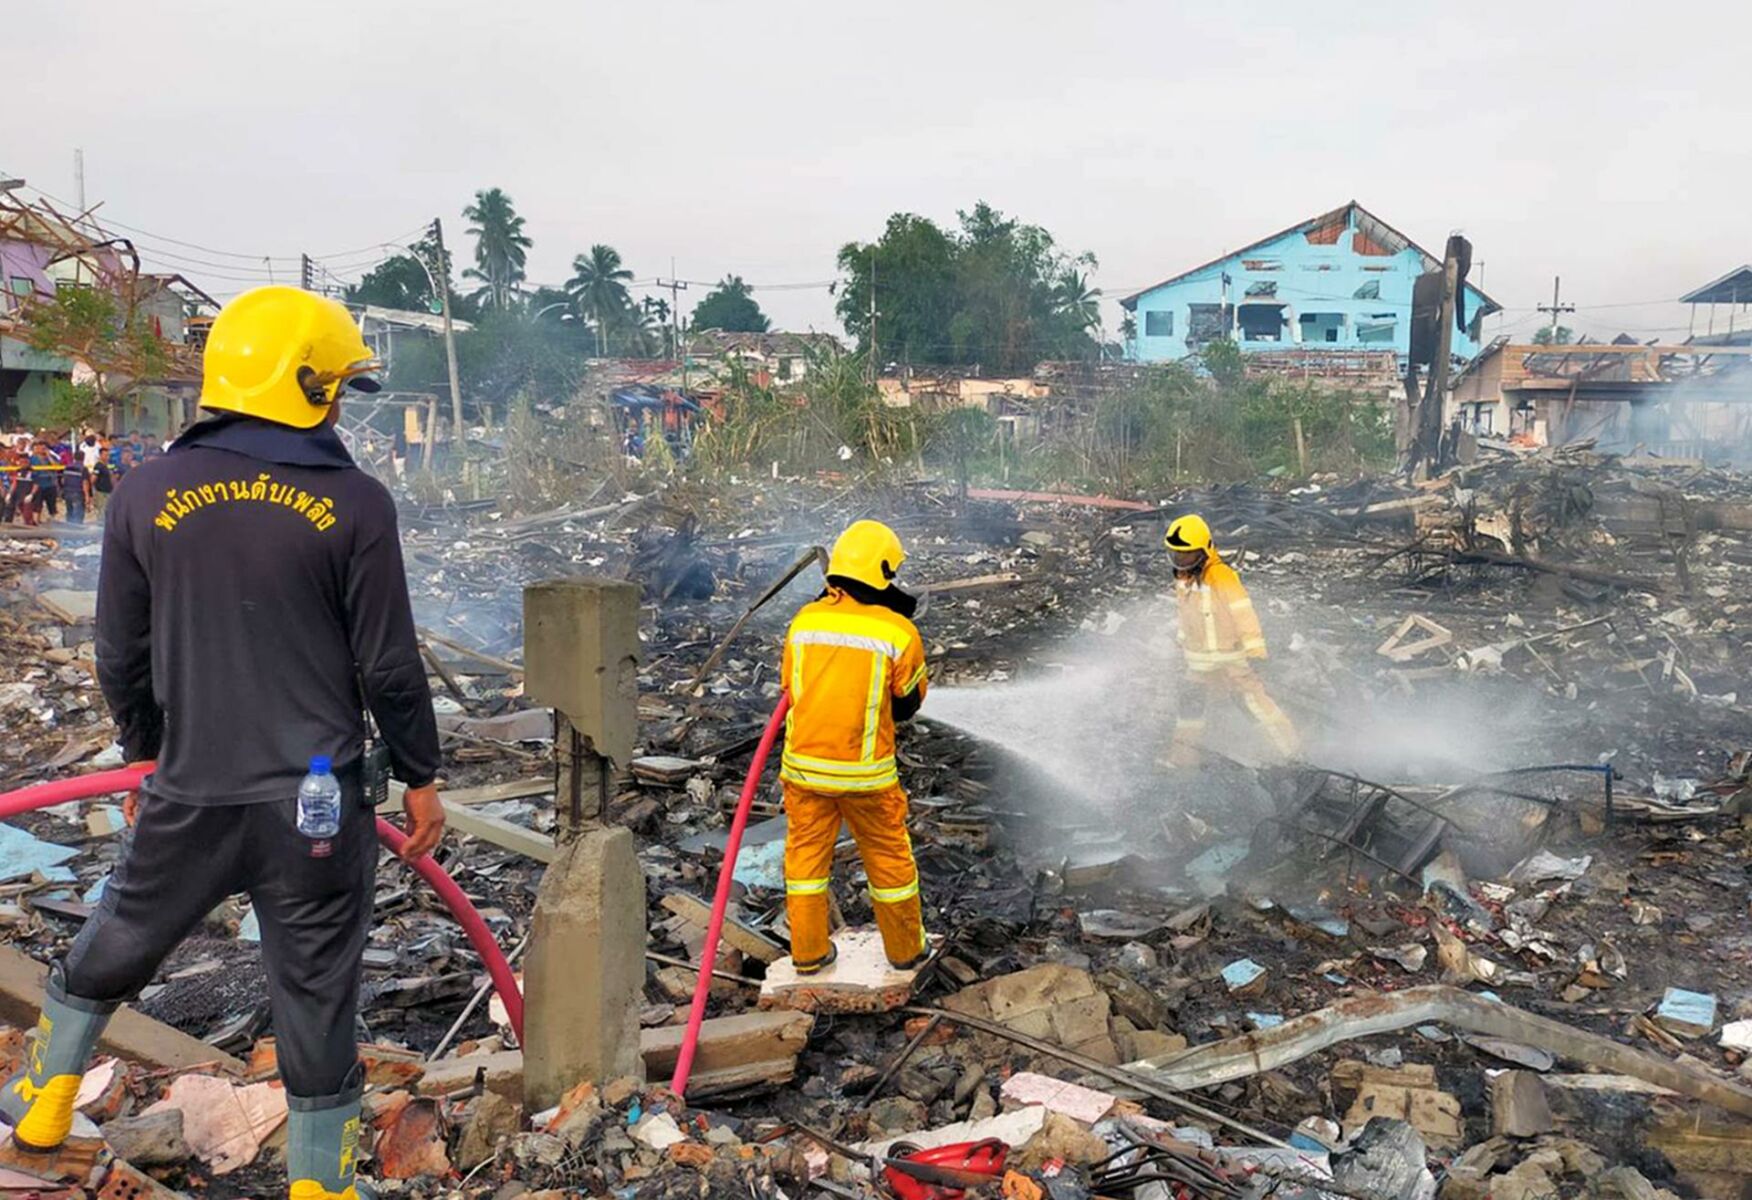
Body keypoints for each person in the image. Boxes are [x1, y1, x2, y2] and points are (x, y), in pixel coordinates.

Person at [0, 286, 445, 1200]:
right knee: (317, 992)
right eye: (335, 388)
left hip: (193, 790)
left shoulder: (145, 490)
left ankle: (45, 1097)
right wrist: (421, 777)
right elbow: (389, 666)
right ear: (306, 385)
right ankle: (322, 1186)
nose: (337, 407)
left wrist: (147, 753)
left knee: (121, 932)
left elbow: (120, 653)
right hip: (317, 808)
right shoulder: (356, 504)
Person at [779, 520, 931, 975]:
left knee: (805, 863)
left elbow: (790, 687)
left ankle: (808, 955)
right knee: (889, 861)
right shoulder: (898, 633)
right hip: (867, 778)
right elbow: (908, 704)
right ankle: (905, 952)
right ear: (883, 572)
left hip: (804, 772)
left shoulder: (803, 623)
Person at [1161, 514, 1299, 767]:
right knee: (1190, 708)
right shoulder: (1183, 579)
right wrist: (1181, 640)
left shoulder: (1222, 576)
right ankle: (1182, 759)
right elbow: (1185, 614)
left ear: (1204, 550)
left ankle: (1290, 754)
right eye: (1177, 555)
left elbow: (1243, 613)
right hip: (1199, 660)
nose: (1181, 561)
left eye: (1187, 555)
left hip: (1232, 656)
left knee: (1254, 704)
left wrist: (1256, 650)